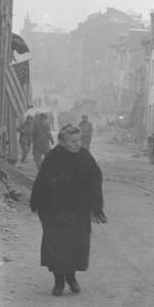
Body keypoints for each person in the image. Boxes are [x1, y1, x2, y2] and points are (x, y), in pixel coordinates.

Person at [29, 124, 106, 296]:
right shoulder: (53, 158)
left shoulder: (84, 156)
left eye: (79, 140)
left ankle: (71, 278)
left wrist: (96, 206)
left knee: (76, 245)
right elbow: (42, 182)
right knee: (56, 246)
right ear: (62, 143)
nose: (77, 144)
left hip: (78, 211)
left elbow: (95, 178)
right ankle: (58, 281)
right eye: (72, 141)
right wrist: (39, 204)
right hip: (56, 211)